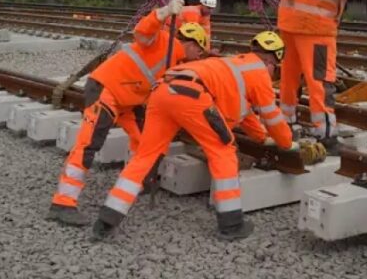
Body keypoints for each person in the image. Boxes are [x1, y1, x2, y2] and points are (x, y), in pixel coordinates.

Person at [91, 31, 296, 242]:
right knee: (223, 151)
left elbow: (247, 115)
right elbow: (272, 117)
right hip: (192, 95)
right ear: (271, 60)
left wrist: (261, 138)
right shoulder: (259, 72)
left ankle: (108, 217)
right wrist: (287, 143)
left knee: (145, 155)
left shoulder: (232, 64)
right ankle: (231, 223)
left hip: (162, 90)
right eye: (275, 67)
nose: (273, 72)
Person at [47, 0, 208, 227]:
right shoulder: (163, 41)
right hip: (107, 90)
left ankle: (135, 182)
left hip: (126, 101)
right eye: (200, 51)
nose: (199, 57)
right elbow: (142, 31)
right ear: (194, 45)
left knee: (144, 142)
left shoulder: (177, 61)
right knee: (89, 143)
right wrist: (161, 13)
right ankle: (62, 203)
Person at [277, 0, 361, 151]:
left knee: (289, 78)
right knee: (321, 81)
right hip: (316, 27)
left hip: (289, 22)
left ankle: (286, 124)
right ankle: (325, 134)